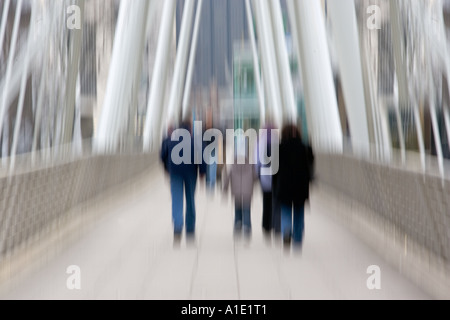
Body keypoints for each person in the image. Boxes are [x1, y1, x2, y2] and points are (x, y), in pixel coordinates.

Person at [160, 120, 206, 244]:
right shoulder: (194, 141)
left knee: (177, 199)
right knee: (190, 199)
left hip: (175, 173)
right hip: (191, 173)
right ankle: (190, 229)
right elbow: (202, 158)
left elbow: (162, 155)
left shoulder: (170, 140)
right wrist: (202, 173)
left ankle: (177, 229)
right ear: (190, 129)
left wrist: (166, 169)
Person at [273, 124, 314, 248]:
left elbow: (274, 170)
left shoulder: (279, 148)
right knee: (299, 211)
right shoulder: (305, 148)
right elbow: (311, 165)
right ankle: (297, 238)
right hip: (300, 186)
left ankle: (286, 231)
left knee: (285, 210)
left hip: (284, 185)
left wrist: (275, 184)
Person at [223, 138, 258, 237]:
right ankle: (247, 227)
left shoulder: (233, 166)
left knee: (237, 208)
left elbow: (227, 178)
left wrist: (224, 189)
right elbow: (255, 177)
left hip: (236, 191)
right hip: (248, 192)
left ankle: (237, 225)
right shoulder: (251, 165)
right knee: (247, 209)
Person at [256, 124, 281, 238]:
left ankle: (266, 225)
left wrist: (257, 174)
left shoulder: (260, 142)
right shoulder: (277, 142)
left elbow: (257, 161)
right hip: (276, 178)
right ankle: (276, 225)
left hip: (264, 177)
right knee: (276, 202)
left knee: (266, 202)